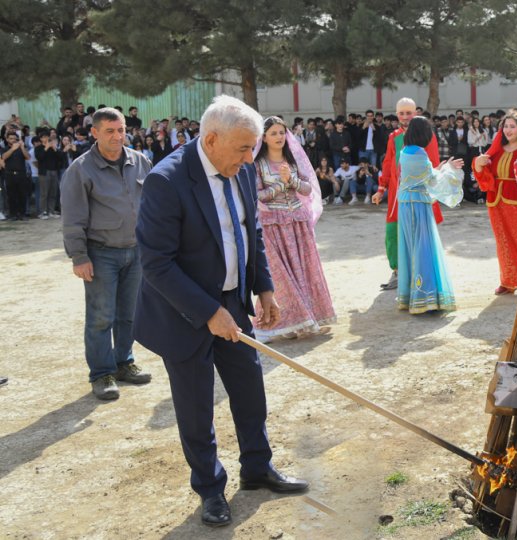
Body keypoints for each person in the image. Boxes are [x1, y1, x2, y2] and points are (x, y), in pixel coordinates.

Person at [134, 96, 308, 528]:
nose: (250, 158)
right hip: (184, 312)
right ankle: (210, 488)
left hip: (232, 302)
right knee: (196, 408)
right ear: (210, 140)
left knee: (250, 390)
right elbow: (156, 262)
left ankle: (256, 468)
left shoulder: (242, 170)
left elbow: (252, 233)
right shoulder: (166, 180)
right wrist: (208, 311)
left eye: (252, 149)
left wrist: (263, 287)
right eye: (242, 149)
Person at [60, 107, 153, 400]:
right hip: (100, 254)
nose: (117, 136)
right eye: (110, 131)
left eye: (121, 129)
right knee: (101, 317)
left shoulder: (140, 162)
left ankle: (123, 363)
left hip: (135, 251)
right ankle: (101, 374)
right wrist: (79, 256)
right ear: (95, 132)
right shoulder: (81, 169)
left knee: (129, 314)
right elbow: (72, 217)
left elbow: (152, 206)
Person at [251, 116, 335, 342]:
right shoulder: (258, 164)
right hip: (273, 225)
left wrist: (294, 181)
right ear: (264, 138)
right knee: (280, 275)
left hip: (298, 221)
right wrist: (281, 183)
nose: (279, 137)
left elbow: (309, 189)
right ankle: (278, 321)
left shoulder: (294, 159)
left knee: (304, 269)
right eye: (273, 133)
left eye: (281, 132)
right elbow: (256, 196)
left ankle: (306, 317)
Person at [373, 98, 443, 291]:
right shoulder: (393, 137)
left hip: (419, 194)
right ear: (397, 115)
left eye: (408, 113)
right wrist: (381, 188)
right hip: (397, 195)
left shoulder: (426, 135)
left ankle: (420, 275)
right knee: (392, 233)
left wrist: (432, 191)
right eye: (401, 113)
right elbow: (388, 163)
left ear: (416, 112)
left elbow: (434, 164)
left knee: (419, 235)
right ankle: (397, 272)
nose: (405, 117)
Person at [396, 116, 464, 313]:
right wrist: (450, 169)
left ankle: (411, 296)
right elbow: (433, 182)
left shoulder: (406, 151)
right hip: (417, 205)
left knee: (410, 247)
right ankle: (425, 297)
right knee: (423, 247)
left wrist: (442, 168)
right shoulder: (419, 153)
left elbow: (425, 176)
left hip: (405, 204)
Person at [473, 110, 517, 295]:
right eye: (505, 127)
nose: (508, 130)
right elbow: (485, 176)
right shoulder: (496, 150)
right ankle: (508, 281)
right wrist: (478, 164)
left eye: (512, 126)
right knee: (503, 242)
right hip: (497, 203)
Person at [2, 131, 32, 221]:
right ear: (7, 139)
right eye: (11, 138)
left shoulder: (21, 148)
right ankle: (13, 214)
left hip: (21, 174)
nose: (13, 140)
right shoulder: (5, 148)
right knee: (11, 195)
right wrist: (12, 149)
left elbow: (28, 157)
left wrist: (22, 147)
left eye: (14, 138)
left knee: (22, 194)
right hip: (10, 175)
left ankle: (22, 214)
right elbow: (3, 157)